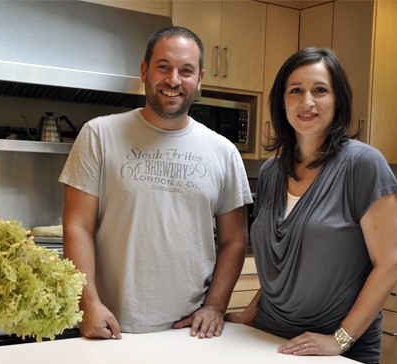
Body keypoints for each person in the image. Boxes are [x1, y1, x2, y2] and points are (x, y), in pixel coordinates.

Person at [60, 26, 253, 340]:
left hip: (190, 333)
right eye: (163, 67)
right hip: (111, 326)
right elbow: (77, 225)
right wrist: (89, 303)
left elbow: (234, 240)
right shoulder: (98, 135)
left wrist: (216, 307)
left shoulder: (224, 153)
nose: (174, 80)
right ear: (144, 70)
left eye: (186, 70)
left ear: (200, 79)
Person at [226, 47, 397, 364]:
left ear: (338, 100)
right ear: (282, 102)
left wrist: (339, 340)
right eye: (296, 91)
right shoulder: (270, 173)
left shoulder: (364, 165)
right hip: (267, 340)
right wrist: (250, 315)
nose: (307, 102)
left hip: (335, 351)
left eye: (320, 90)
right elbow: (280, 270)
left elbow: (390, 265)